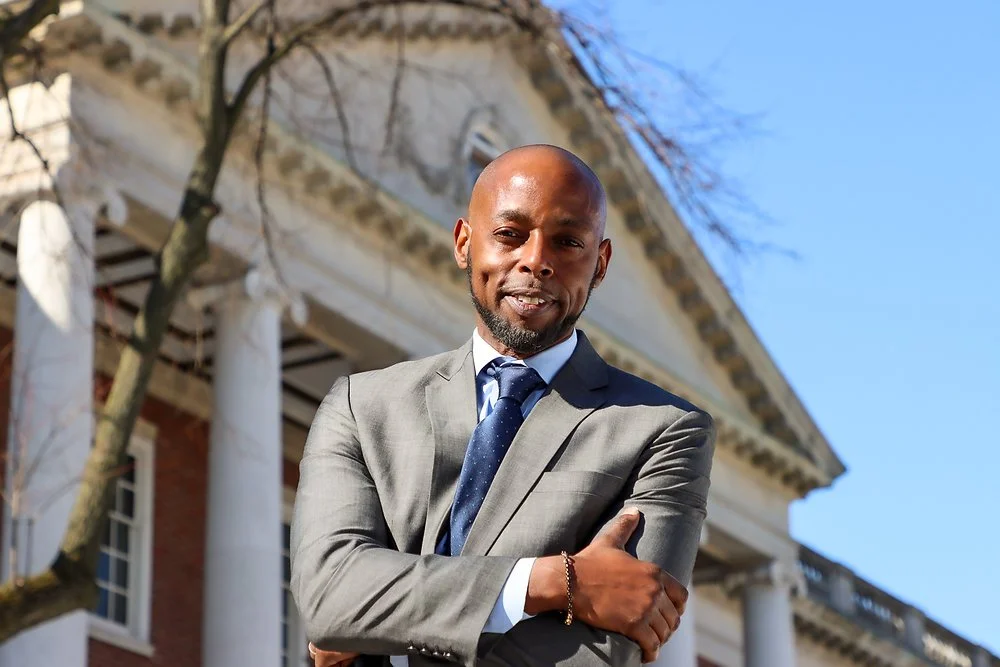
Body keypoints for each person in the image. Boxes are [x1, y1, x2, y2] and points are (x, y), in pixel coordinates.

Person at [291, 144, 716, 667]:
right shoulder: (361, 406)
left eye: (567, 242)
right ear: (464, 243)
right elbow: (330, 598)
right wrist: (552, 582)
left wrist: (383, 617)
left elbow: (608, 644)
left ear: (600, 263)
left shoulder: (663, 432)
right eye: (510, 235)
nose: (536, 261)